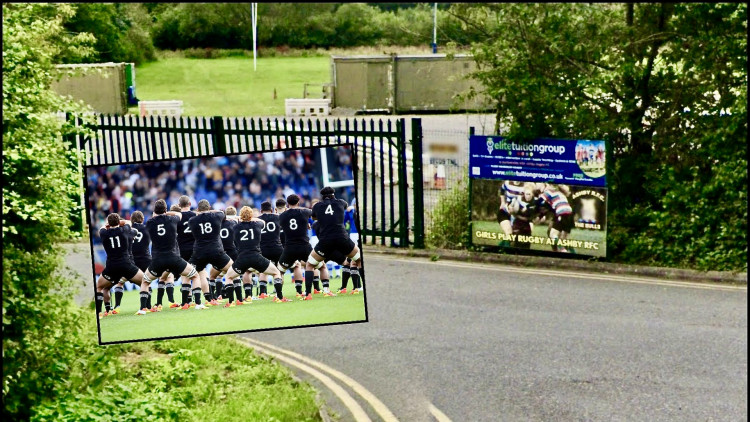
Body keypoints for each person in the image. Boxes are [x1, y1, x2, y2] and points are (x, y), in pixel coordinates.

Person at [141, 199, 201, 313]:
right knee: (194, 275)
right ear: (165, 210)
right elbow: (179, 214)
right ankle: (197, 303)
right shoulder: (172, 219)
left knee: (148, 281)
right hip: (174, 257)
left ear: (154, 211)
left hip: (158, 260)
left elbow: (154, 218)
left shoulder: (150, 223)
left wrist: (158, 214)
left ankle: (144, 308)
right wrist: (166, 213)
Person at [306, 186, 363, 300]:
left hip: (326, 240)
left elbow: (314, 217)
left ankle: (308, 294)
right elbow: (346, 207)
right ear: (333, 194)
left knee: (310, 265)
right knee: (358, 259)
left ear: (322, 196)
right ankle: (362, 287)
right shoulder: (341, 202)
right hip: (342, 237)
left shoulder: (317, 206)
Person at [223, 206, 286, 306]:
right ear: (251, 215)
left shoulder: (235, 227)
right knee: (276, 273)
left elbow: (233, 220)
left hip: (242, 258)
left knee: (229, 277)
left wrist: (240, 217)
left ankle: (231, 302)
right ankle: (279, 297)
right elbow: (262, 221)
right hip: (256, 257)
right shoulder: (258, 225)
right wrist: (250, 217)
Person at [95, 213, 146, 318]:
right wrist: (119, 222)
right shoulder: (125, 230)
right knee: (145, 282)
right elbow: (128, 222)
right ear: (119, 222)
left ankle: (100, 312)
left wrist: (108, 224)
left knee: (100, 287)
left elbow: (102, 227)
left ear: (108, 223)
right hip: (126, 264)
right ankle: (143, 308)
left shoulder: (104, 233)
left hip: (112, 266)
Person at [187, 199, 231, 308]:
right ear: (209, 208)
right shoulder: (217, 216)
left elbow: (196, 217)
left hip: (199, 252)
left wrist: (199, 212)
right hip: (216, 250)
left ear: (197, 209)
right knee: (233, 269)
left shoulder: (192, 220)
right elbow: (222, 212)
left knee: (193, 275)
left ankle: (196, 302)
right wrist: (210, 211)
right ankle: (234, 298)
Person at [132, 210, 177, 310]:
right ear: (142, 219)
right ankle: (168, 302)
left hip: (132, 263)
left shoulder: (128, 229)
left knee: (119, 282)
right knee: (167, 276)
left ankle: (112, 308)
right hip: (146, 260)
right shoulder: (148, 228)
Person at [278, 194, 313, 300]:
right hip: (304, 246)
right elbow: (314, 214)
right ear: (298, 202)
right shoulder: (305, 211)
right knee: (316, 266)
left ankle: (279, 296)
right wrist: (305, 223)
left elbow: (282, 226)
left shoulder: (282, 215)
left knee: (279, 271)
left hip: (289, 248)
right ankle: (311, 293)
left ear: (287, 203)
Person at [534, 183, 574, 253]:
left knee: (552, 235)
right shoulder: (560, 193)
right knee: (564, 240)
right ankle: (574, 254)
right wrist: (540, 216)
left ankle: (563, 251)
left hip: (562, 213)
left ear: (547, 185)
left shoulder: (548, 192)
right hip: (570, 215)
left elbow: (537, 203)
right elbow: (549, 207)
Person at [257, 200, 283, 299]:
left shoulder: (257, 219)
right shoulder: (277, 217)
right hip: (277, 247)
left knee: (263, 270)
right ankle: (278, 292)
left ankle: (263, 292)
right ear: (271, 210)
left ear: (261, 210)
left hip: (263, 248)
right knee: (279, 270)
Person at [175, 195, 197, 308]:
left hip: (182, 249)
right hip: (195, 248)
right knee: (199, 274)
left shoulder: (177, 217)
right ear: (190, 204)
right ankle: (207, 298)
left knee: (185, 275)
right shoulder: (195, 215)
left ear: (179, 205)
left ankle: (186, 301)